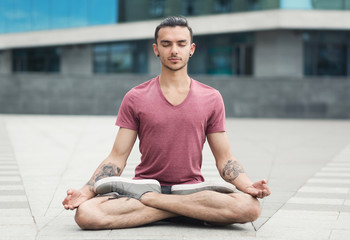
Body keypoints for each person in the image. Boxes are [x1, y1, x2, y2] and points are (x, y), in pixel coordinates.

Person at [62, 16, 271, 230]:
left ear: (191, 49)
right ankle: (188, 212)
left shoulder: (212, 98)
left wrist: (247, 185)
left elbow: (225, 159)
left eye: (181, 44)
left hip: (190, 190)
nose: (174, 50)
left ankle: (156, 205)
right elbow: (117, 158)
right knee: (87, 214)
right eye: (166, 44)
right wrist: (86, 191)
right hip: (144, 187)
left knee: (250, 208)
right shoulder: (135, 97)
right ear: (156, 49)